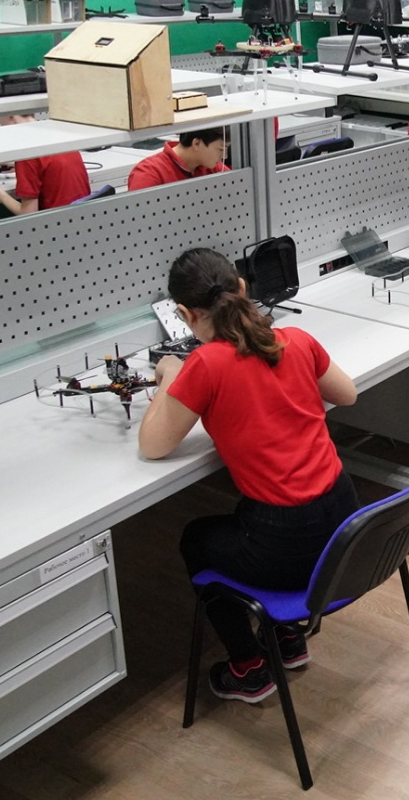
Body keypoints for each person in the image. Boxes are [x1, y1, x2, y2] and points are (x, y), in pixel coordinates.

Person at [138, 248, 360, 703]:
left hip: (287, 544)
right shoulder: (295, 339)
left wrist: (170, 376)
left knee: (196, 539)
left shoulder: (206, 364)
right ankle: (287, 638)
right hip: (344, 523)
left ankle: (249, 667)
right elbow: (348, 395)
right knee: (242, 517)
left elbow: (152, 445)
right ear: (242, 288)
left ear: (185, 314)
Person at [0, 115, 91, 213]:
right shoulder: (57, 134)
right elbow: (52, 165)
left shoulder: (28, 151)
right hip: (82, 219)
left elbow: (28, 214)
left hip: (56, 225)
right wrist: (19, 166)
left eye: (0, 122)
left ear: (10, 116)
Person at [126, 128, 230, 191]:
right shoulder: (149, 174)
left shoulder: (213, 167)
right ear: (197, 143)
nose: (224, 156)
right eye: (221, 149)